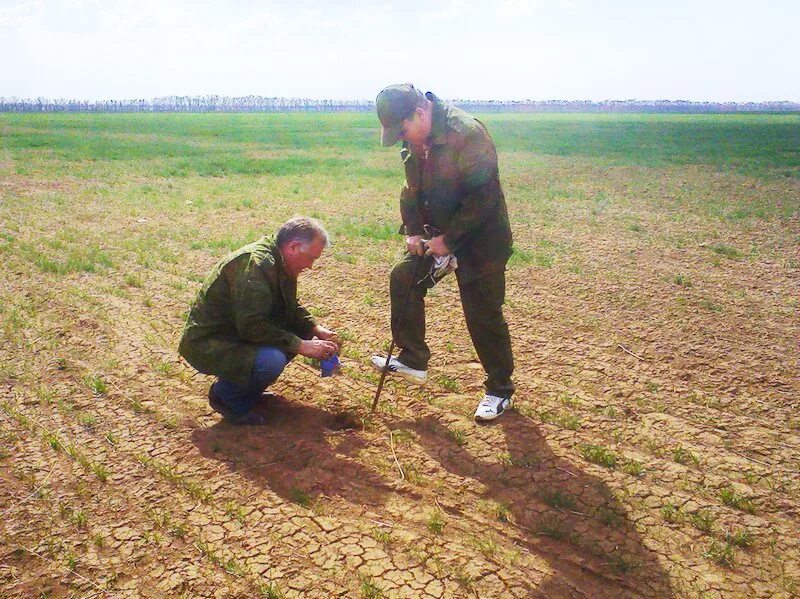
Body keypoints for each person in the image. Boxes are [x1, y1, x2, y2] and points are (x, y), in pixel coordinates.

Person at [371, 83, 515, 422]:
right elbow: (411, 190)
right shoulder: (414, 141)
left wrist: (450, 241)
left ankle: (499, 390)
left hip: (481, 240)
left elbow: (484, 198)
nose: (402, 141)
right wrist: (414, 230)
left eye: (403, 131)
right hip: (439, 234)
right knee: (404, 276)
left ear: (420, 114)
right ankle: (413, 358)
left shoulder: (466, 133)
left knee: (482, 315)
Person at [179, 216, 339, 425]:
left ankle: (248, 392)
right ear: (293, 247)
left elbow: (289, 306)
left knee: (301, 331)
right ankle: (226, 397)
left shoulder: (281, 262)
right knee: (271, 360)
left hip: (236, 332)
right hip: (211, 342)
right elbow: (252, 327)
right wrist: (301, 346)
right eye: (311, 258)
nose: (310, 266)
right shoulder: (256, 266)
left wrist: (315, 328)